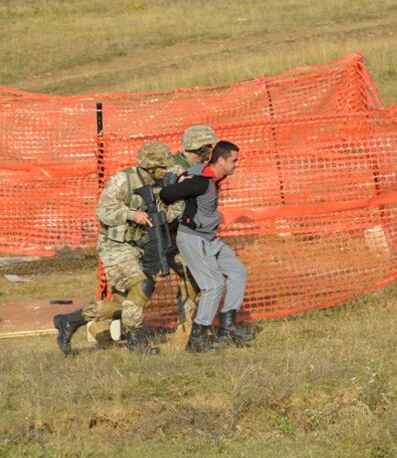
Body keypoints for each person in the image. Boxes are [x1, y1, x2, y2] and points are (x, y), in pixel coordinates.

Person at [52, 142, 182, 356]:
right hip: (116, 246)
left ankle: (70, 321)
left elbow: (167, 212)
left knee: (125, 303)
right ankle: (135, 343)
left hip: (142, 247)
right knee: (142, 286)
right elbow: (104, 211)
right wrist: (132, 214)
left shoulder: (162, 182)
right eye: (163, 167)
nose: (167, 170)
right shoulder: (124, 180)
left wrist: (176, 204)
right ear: (151, 167)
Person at [159, 140, 255, 352]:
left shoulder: (212, 177)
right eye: (233, 160)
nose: (236, 165)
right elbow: (166, 194)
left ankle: (227, 327)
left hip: (209, 238)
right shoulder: (200, 181)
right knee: (213, 285)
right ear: (221, 160)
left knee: (238, 272)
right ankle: (197, 339)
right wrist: (177, 181)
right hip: (193, 238)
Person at [167, 125, 219, 331]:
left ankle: (186, 325)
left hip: (182, 236)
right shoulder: (176, 171)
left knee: (194, 276)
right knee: (137, 288)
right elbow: (170, 208)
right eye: (208, 148)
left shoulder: (189, 169)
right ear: (200, 148)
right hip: (166, 237)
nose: (210, 153)